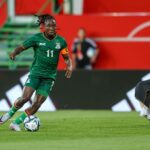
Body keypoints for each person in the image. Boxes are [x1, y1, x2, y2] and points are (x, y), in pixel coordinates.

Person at [0, 14, 72, 131]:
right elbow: (22, 47)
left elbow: (66, 57)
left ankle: (16, 123)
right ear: (44, 27)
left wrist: (70, 65)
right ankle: (8, 115)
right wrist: (14, 53)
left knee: (37, 103)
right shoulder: (36, 38)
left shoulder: (61, 41)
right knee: (25, 98)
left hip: (49, 77)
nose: (52, 28)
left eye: (54, 26)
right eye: (49, 26)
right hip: (36, 73)